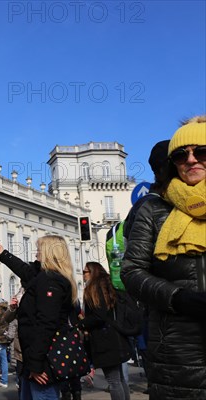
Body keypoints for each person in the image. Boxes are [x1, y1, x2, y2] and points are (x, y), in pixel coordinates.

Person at [121, 116, 206, 398]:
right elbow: (132, 272)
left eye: (201, 152)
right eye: (182, 155)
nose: (192, 160)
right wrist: (177, 298)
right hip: (177, 352)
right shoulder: (154, 210)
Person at [0, 235, 77, 400]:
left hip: (42, 361)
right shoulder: (44, 277)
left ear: (49, 253)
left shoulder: (51, 281)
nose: (36, 254)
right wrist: (2, 253)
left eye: (39, 250)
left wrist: (36, 365)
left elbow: (46, 325)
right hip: (34, 358)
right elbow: (24, 269)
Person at [79, 262, 131, 400]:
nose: (83, 275)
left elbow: (99, 315)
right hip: (116, 336)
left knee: (114, 381)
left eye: (85, 272)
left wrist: (81, 324)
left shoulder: (94, 288)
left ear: (92, 272)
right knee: (119, 379)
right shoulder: (107, 286)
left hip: (104, 340)